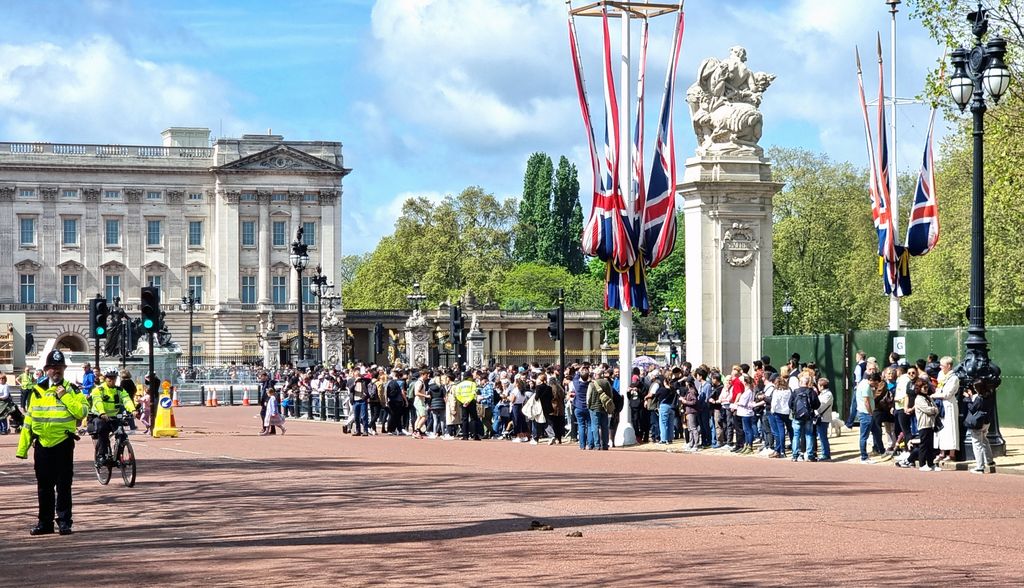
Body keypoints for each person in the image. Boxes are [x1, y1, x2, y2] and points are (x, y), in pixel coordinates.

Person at [16, 349, 87, 536]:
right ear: (46, 369)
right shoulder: (37, 391)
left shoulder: (72, 389)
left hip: (63, 443)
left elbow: (82, 413)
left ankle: (64, 522)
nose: (57, 371)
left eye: (60, 367)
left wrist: (65, 396)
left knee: (64, 485)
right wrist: (22, 448)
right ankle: (45, 522)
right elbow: (29, 420)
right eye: (53, 367)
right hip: (42, 445)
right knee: (44, 486)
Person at [89, 370, 136, 467]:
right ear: (105, 378)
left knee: (122, 435)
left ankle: (119, 457)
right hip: (100, 416)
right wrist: (102, 412)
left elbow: (126, 400)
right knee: (102, 431)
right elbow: (98, 402)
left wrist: (133, 410)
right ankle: (101, 456)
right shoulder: (98, 390)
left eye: (114, 377)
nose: (112, 380)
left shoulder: (120, 390)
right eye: (109, 377)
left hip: (114, 416)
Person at [932, 356, 960, 464]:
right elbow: (938, 387)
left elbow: (947, 394)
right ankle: (941, 452)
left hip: (949, 405)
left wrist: (935, 395)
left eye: (942, 366)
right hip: (939, 404)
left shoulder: (954, 378)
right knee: (940, 427)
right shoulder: (940, 375)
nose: (940, 367)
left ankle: (951, 454)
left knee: (950, 428)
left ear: (949, 366)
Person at [963, 386, 994, 474]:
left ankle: (980, 467)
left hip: (978, 422)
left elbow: (972, 409)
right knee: (984, 440)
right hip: (986, 421)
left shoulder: (979, 398)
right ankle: (990, 461)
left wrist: (968, 398)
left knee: (977, 444)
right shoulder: (989, 395)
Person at [453, 371, 481, 441]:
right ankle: (475, 435)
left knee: (464, 419)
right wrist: (468, 400)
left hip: (463, 403)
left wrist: (463, 401)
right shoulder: (472, 383)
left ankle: (465, 435)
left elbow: (457, 394)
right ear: (469, 377)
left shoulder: (459, 385)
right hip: (471, 402)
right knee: (473, 418)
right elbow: (474, 393)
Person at [813, 378, 834, 461]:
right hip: (820, 417)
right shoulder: (822, 394)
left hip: (823, 418)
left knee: (823, 436)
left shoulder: (828, 394)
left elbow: (821, 407)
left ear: (821, 386)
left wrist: (814, 408)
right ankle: (824, 453)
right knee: (821, 436)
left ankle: (826, 454)